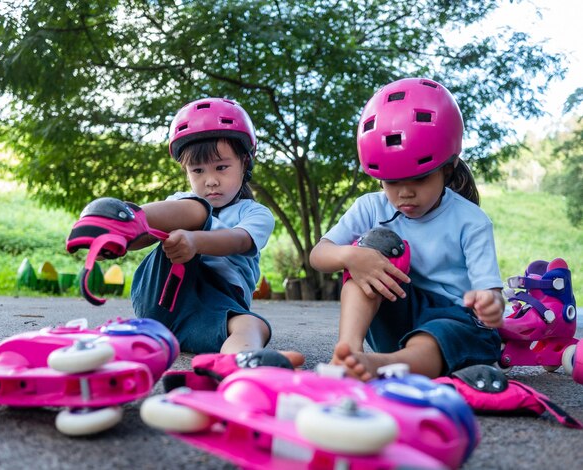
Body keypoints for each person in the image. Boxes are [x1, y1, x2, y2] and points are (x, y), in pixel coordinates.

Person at [309, 78, 505, 380]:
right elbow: (319, 255)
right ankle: (347, 352)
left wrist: (490, 304)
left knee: (434, 336)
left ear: (447, 168)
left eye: (419, 180)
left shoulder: (471, 220)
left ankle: (382, 365)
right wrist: (352, 257)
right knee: (374, 249)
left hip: (453, 321)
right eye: (392, 182)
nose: (405, 194)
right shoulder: (370, 207)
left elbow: (488, 290)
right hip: (397, 311)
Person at [100, 97, 300, 365]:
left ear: (245, 161)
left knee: (255, 325)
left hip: (208, 315)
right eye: (198, 170)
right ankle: (119, 223)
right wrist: (117, 244)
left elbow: (238, 241)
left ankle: (242, 361)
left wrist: (196, 241)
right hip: (162, 295)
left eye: (221, 167)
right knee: (195, 209)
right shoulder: (183, 203)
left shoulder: (254, 213)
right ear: (186, 171)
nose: (211, 180)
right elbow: (148, 235)